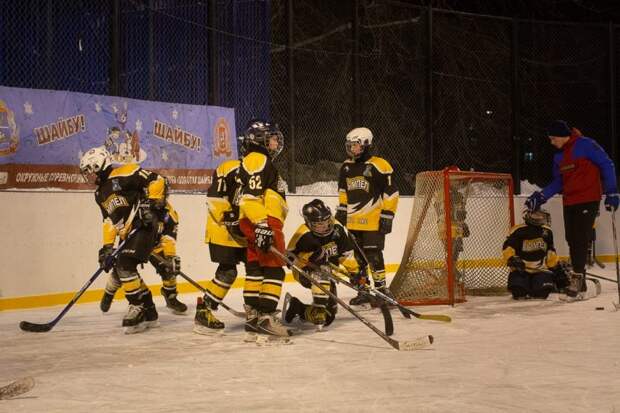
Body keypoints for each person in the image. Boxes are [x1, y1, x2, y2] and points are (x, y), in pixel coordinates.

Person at [80, 146, 166, 333]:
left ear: (99, 165)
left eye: (89, 170)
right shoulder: (99, 193)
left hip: (144, 226)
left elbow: (158, 180)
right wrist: (107, 247)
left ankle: (137, 306)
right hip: (129, 233)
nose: (88, 175)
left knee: (124, 266)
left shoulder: (126, 171)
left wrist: (150, 206)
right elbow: (109, 221)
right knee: (124, 267)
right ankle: (149, 311)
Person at [525, 120, 618, 293]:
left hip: (588, 198)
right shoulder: (558, 156)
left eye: (553, 138)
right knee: (571, 238)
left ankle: (577, 278)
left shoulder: (586, 145)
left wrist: (612, 192)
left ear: (562, 136)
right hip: (570, 200)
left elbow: (607, 164)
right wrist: (541, 196)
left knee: (580, 238)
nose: (552, 142)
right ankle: (579, 279)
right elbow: (559, 181)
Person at [236, 119, 290, 339]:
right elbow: (250, 198)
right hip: (264, 219)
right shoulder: (258, 158)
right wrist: (262, 224)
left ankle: (253, 316)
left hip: (254, 221)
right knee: (274, 268)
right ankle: (267, 318)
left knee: (256, 268)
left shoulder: (252, 160)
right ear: (259, 139)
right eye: (272, 137)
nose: (276, 141)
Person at [335, 127, 399, 305]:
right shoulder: (346, 167)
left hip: (373, 222)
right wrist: (342, 209)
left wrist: (388, 214)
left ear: (366, 144)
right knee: (357, 259)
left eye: (355, 145)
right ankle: (363, 290)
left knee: (374, 256)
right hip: (353, 222)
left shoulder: (380, 165)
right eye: (349, 146)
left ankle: (381, 291)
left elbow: (391, 192)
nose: (351, 149)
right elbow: (343, 190)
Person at [99, 193, 188, 315]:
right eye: (157, 195)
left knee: (168, 269)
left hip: (156, 246)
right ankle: (109, 292)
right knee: (122, 270)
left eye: (162, 195)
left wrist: (170, 256)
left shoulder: (169, 213)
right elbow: (115, 222)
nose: (159, 199)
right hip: (132, 243)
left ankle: (170, 297)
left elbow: (168, 236)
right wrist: (109, 245)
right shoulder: (135, 205)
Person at [283, 199, 361, 328]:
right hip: (305, 273)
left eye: (326, 221)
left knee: (328, 316)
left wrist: (355, 273)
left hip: (328, 274)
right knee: (322, 271)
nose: (325, 226)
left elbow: (346, 254)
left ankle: (298, 308)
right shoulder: (303, 234)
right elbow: (288, 260)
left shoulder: (338, 228)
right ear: (309, 223)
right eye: (319, 224)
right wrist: (310, 257)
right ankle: (318, 308)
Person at [193, 157, 248, 334]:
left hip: (245, 230)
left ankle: (255, 307)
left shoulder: (263, 170)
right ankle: (205, 309)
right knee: (228, 271)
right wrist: (229, 218)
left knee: (256, 267)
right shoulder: (231, 167)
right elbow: (214, 197)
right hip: (222, 228)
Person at [502, 209, 570, 299]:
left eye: (541, 215)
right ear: (529, 215)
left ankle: (536, 285)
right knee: (518, 292)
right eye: (536, 215)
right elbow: (507, 247)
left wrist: (557, 269)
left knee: (541, 293)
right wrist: (512, 258)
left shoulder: (547, 231)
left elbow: (550, 252)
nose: (540, 218)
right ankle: (525, 286)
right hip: (521, 270)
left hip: (541, 270)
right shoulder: (518, 230)